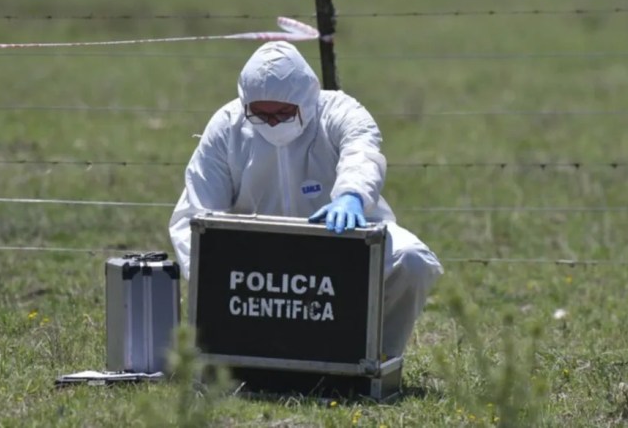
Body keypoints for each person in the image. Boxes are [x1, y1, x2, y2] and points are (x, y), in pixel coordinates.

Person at [168, 41, 442, 358]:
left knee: (412, 260)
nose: (272, 123)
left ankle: (374, 359)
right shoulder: (227, 126)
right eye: (260, 114)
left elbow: (362, 151)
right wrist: (220, 269)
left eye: (284, 113)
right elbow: (199, 214)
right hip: (255, 257)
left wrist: (351, 195)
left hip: (343, 241)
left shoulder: (340, 111)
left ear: (306, 99)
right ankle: (242, 356)